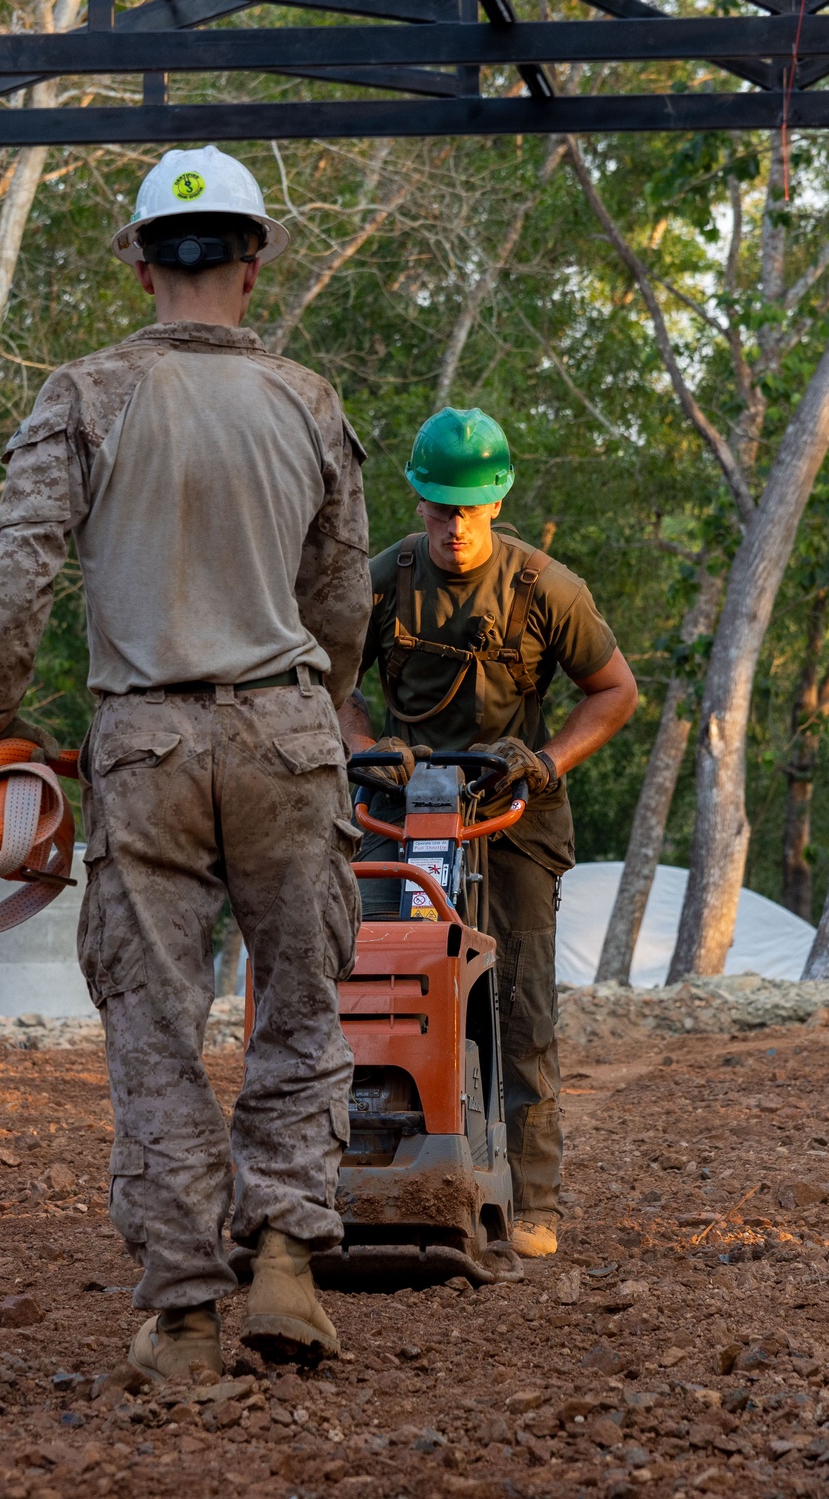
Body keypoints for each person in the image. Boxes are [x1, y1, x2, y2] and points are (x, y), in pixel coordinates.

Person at [0, 145, 371, 1376]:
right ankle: (287, 1254)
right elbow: (340, 598)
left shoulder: (84, 394)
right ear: (253, 260)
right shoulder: (308, 398)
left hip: (147, 741)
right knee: (298, 1001)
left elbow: (18, 571)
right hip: (288, 731)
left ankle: (183, 1302)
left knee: (154, 1022)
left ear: (138, 261)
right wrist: (317, 707)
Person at [340, 406, 637, 1258]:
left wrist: (547, 760)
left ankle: (534, 1199)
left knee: (521, 1000)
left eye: (470, 508)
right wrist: (368, 749)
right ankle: (370, 1161)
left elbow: (614, 691)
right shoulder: (385, 579)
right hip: (401, 803)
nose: (454, 525)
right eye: (439, 508)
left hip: (513, 810)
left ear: (497, 501)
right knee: (378, 977)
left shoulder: (548, 588)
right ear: (419, 500)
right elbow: (324, 679)